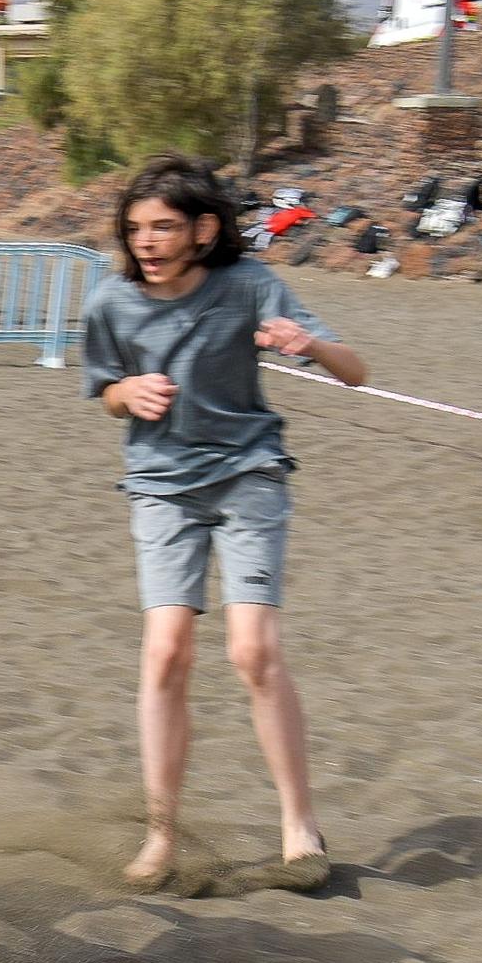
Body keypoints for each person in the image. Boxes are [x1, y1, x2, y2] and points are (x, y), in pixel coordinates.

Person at [82, 156, 366, 892]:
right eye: (136, 228)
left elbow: (356, 370)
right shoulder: (111, 301)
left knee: (252, 651)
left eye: (164, 227)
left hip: (249, 476)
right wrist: (127, 391)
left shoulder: (247, 287)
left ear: (204, 230)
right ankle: (160, 834)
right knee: (166, 651)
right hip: (161, 488)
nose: (145, 240)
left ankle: (299, 824)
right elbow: (103, 391)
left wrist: (311, 346)